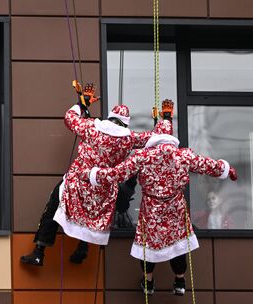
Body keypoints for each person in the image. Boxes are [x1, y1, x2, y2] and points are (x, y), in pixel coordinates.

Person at [82, 101, 237, 296]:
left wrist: (94, 175)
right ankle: (179, 281)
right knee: (177, 244)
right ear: (170, 138)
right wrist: (227, 169)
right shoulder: (183, 156)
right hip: (175, 208)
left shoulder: (142, 156)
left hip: (151, 209)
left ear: (155, 137)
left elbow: (118, 173)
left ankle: (148, 282)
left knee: (148, 246)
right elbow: (207, 165)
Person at [20, 82, 153, 266]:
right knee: (91, 215)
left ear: (110, 118)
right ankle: (83, 247)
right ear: (126, 122)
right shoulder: (130, 138)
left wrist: (83, 104)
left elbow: (69, 117)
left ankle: (39, 252)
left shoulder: (91, 127)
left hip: (78, 181)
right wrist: (165, 119)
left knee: (53, 206)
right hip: (102, 189)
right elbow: (155, 138)